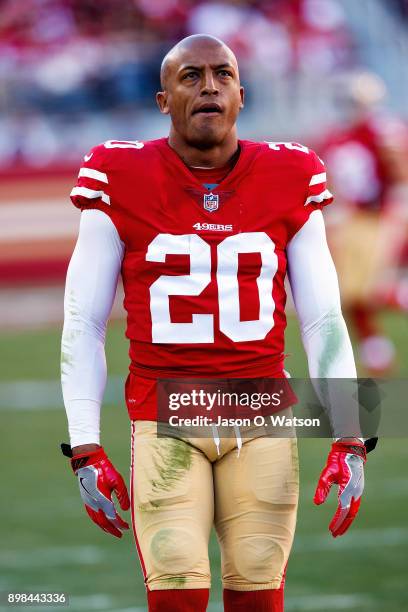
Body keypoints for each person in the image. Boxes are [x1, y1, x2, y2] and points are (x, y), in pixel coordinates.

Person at [61, 35, 371, 612]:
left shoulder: (291, 171)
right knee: (178, 596)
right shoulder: (117, 171)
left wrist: (352, 436)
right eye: (191, 76)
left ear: (241, 94)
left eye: (222, 74)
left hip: (262, 418)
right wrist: (84, 447)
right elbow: (82, 322)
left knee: (259, 597)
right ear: (162, 99)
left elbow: (325, 319)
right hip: (165, 418)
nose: (209, 86)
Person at [319, 71, 408, 375]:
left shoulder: (381, 130)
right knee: (346, 291)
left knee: (366, 288)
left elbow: (399, 169)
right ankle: (376, 352)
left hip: (377, 215)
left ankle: (379, 344)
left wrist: (396, 207)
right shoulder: (336, 135)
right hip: (350, 219)